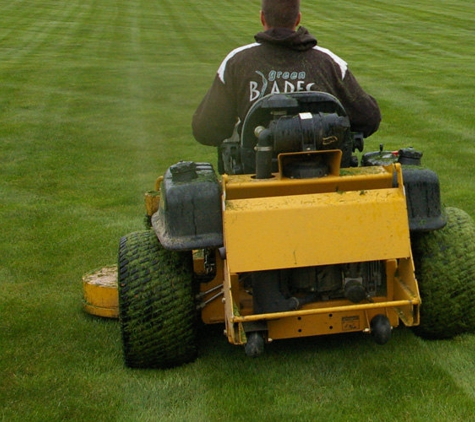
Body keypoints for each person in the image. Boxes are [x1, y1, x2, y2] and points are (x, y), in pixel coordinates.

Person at [192, 0, 381, 147]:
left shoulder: (237, 62)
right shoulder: (328, 62)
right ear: (297, 18)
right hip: (322, 175)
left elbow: (206, 130)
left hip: (255, 178)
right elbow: (368, 118)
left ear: (262, 18)